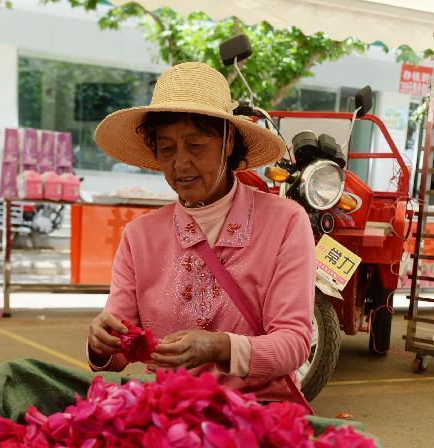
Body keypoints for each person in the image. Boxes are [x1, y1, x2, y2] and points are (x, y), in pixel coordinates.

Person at [86, 61, 316, 404]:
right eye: (167, 149)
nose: (180, 164)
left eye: (195, 146)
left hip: (260, 410)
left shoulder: (285, 223)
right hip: (171, 411)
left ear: (226, 142)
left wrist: (220, 347)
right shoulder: (139, 237)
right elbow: (118, 352)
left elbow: (294, 343)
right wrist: (101, 343)